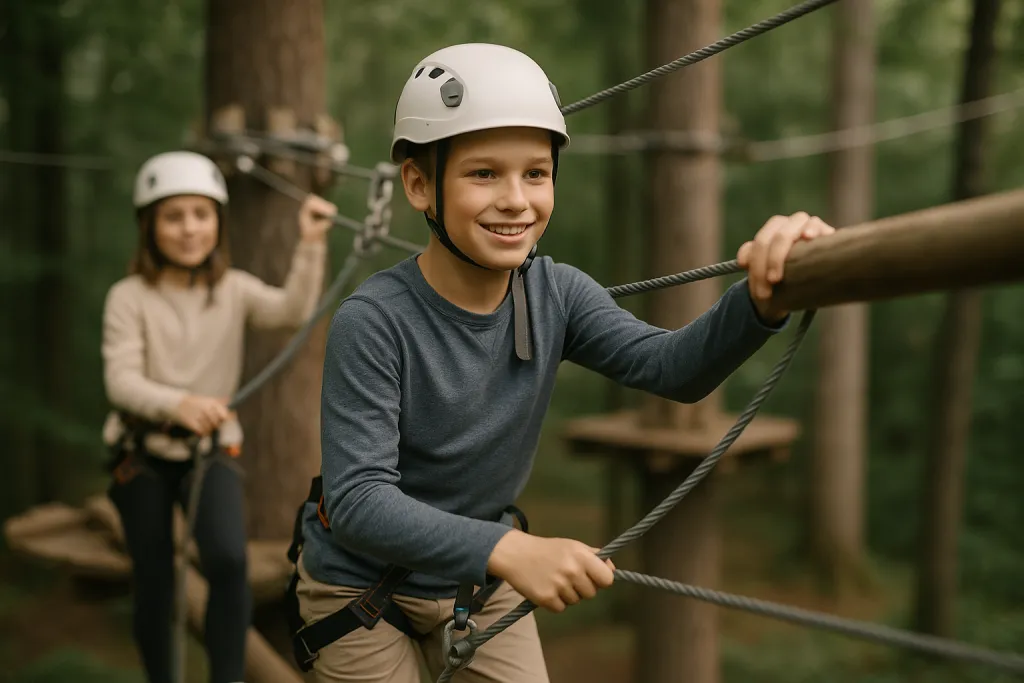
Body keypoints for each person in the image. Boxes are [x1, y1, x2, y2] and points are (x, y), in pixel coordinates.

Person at [289, 44, 835, 683]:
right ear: (418, 185)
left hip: (478, 584)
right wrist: (510, 549)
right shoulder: (375, 320)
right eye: (483, 174)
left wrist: (760, 300)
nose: (516, 200)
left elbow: (672, 369)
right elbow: (359, 500)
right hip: (362, 591)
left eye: (536, 174)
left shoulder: (556, 295)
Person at [101, 150, 336, 683]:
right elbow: (122, 381)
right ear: (150, 226)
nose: (189, 229)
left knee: (229, 561)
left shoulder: (233, 290)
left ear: (218, 224)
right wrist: (179, 404)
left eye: (201, 215)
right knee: (155, 574)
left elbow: (291, 311)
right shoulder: (128, 298)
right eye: (173, 216)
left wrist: (311, 243)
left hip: (210, 448)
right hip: (142, 450)